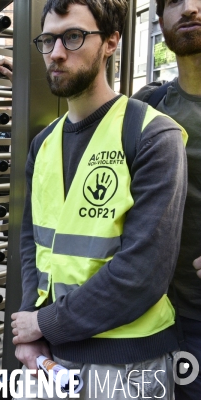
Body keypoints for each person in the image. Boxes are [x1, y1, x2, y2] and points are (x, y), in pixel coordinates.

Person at [11, 1, 188, 398]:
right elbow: (32, 246)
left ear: (111, 42)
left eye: (73, 37)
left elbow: (143, 272)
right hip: (49, 360)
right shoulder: (43, 144)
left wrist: (43, 324)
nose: (56, 52)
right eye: (48, 40)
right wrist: (29, 325)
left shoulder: (153, 135)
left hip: (128, 367)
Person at [132, 1, 201, 398]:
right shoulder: (150, 105)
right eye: (175, 1)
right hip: (155, 317)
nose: (189, 8)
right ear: (160, 21)